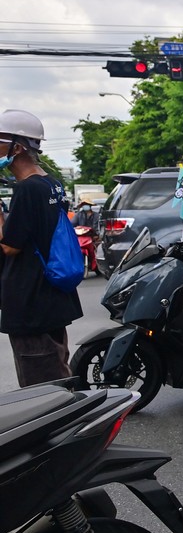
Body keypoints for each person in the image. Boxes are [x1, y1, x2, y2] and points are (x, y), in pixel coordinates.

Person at [0, 110, 83, 386]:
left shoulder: (27, 190)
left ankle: (65, 428)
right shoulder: (52, 184)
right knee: (57, 371)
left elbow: (9, 247)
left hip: (31, 302)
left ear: (18, 147)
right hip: (52, 296)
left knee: (43, 389)